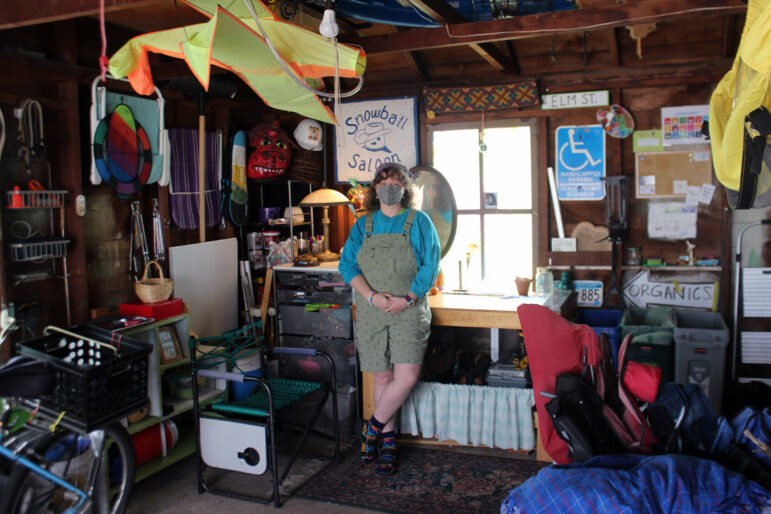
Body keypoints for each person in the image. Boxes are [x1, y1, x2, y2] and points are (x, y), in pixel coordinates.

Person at [339, 162, 440, 475]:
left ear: (406, 189)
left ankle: (370, 430)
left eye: (396, 179)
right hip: (372, 310)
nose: (389, 184)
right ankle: (386, 443)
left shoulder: (420, 221)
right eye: (383, 179)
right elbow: (348, 267)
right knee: (382, 378)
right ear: (374, 188)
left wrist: (407, 299)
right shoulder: (362, 224)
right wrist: (371, 296)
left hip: (408, 309)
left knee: (406, 376)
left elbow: (430, 266)